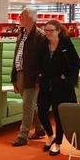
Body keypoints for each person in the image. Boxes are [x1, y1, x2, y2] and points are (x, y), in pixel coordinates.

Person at [36, 19, 80, 156]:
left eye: (51, 30)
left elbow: (76, 63)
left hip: (61, 86)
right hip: (45, 84)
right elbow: (39, 61)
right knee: (41, 112)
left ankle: (57, 144)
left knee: (58, 115)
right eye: (46, 30)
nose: (48, 33)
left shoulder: (66, 43)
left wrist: (65, 77)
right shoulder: (43, 44)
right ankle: (50, 136)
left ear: (58, 31)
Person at [9, 8, 47, 147]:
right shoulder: (21, 34)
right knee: (30, 105)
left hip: (32, 76)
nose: (19, 18)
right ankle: (39, 128)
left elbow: (43, 60)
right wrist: (13, 77)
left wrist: (39, 79)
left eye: (22, 16)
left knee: (27, 105)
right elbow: (16, 56)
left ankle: (22, 135)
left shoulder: (40, 36)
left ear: (30, 19)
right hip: (20, 75)